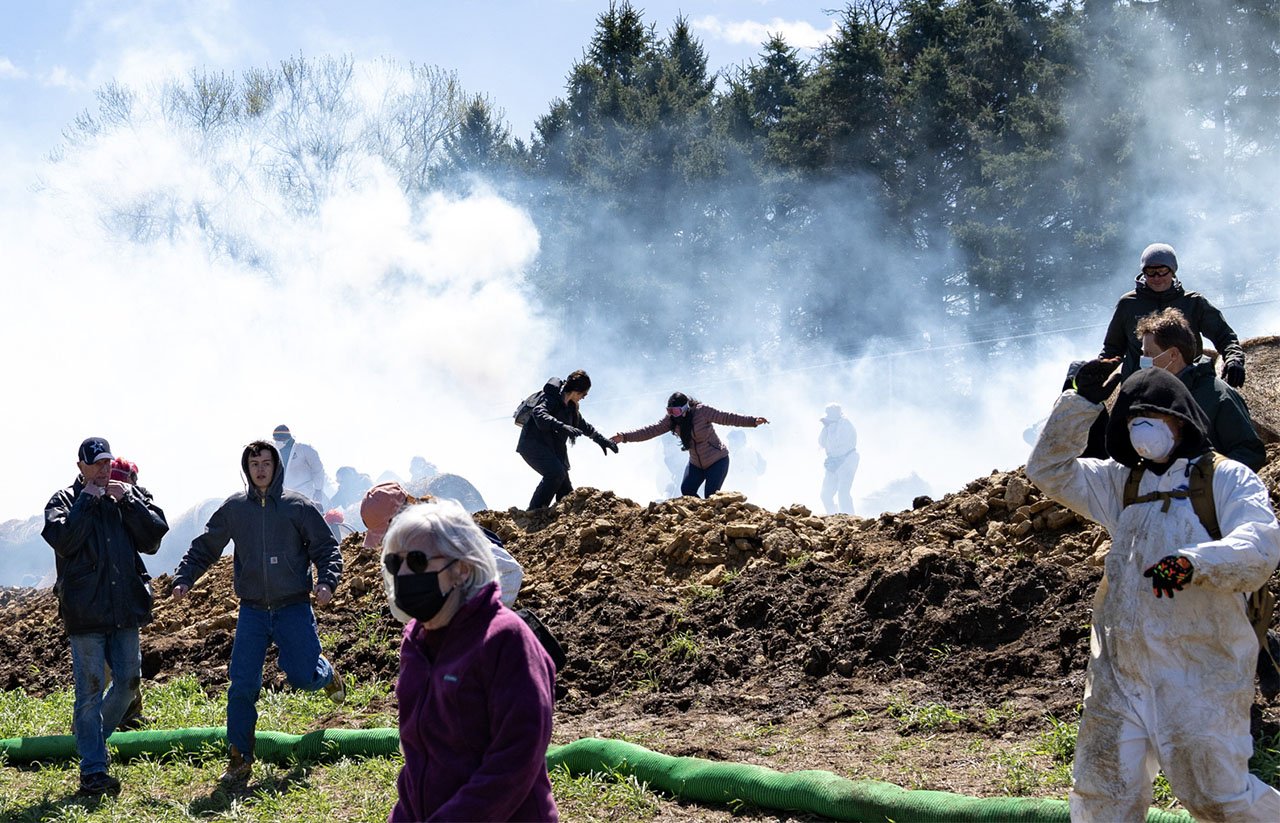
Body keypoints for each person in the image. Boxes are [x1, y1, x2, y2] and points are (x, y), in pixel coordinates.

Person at [1027, 363, 1280, 821]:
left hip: (1199, 671)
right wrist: (1079, 403)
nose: (1142, 428)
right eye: (1131, 418)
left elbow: (1260, 544)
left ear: (1181, 420)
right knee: (1103, 791)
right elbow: (1048, 470)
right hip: (1120, 671)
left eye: (1153, 416)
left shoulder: (1225, 479)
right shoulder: (1121, 482)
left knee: (1217, 796)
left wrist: (1194, 563)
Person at [171, 440, 345, 784]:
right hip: (252, 611)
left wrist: (326, 582)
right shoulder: (236, 509)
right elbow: (206, 546)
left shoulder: (298, 507)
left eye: (266, 462)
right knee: (242, 684)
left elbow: (326, 548)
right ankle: (239, 757)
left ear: (276, 466)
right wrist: (184, 578)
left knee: (302, 676)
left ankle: (324, 673)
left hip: (293, 606)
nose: (261, 469)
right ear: (247, 469)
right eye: (254, 464)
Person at [382, 500, 558, 822]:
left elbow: (516, 758)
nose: (404, 574)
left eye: (418, 562)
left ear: (461, 569)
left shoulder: (506, 639)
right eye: (396, 563)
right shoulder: (415, 642)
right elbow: (418, 757)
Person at [41, 437, 169, 796]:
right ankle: (93, 769)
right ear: (80, 467)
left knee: (128, 682)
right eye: (95, 463)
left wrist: (127, 501)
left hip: (124, 608)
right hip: (85, 615)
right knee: (90, 692)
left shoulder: (128, 494)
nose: (103, 469)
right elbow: (64, 541)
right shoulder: (64, 501)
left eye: (107, 462)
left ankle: (90, 738)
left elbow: (154, 537)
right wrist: (87, 501)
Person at [1135, 307, 1265, 471]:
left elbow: (1250, 452)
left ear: (1173, 355)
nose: (1143, 361)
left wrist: (1207, 476)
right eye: (1143, 354)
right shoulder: (1149, 397)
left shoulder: (1217, 395)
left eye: (1149, 354)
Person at [1099, 242, 1246, 385]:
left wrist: (1234, 359)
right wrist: (1096, 374)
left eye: (1162, 271)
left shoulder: (1193, 302)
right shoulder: (1128, 304)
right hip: (1140, 386)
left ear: (1173, 271)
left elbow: (1224, 336)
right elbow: (1112, 348)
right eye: (1150, 272)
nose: (1156, 277)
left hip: (1189, 384)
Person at [361, 481, 523, 605]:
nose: (385, 542)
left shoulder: (445, 532)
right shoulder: (406, 549)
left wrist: (470, 623)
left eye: (386, 534)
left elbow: (510, 572)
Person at [611, 392, 768, 498]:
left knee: (711, 496)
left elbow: (727, 418)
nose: (673, 416)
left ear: (686, 408)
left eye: (676, 412)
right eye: (669, 411)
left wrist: (752, 421)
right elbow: (650, 431)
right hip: (696, 464)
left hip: (717, 461)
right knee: (687, 491)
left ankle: (715, 525)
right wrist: (624, 437)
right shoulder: (671, 420)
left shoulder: (702, 411)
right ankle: (698, 523)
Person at [515, 370, 617, 510]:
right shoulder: (551, 398)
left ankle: (562, 520)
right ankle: (533, 513)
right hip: (532, 445)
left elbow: (583, 425)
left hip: (551, 448)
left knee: (565, 490)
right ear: (576, 391)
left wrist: (601, 440)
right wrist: (562, 426)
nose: (584, 398)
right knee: (555, 473)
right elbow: (539, 413)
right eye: (584, 394)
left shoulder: (570, 406)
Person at [271, 424, 327, 506]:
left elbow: (317, 469)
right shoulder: (275, 452)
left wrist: (318, 489)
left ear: (286, 438)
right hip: (284, 494)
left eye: (278, 439)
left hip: (304, 492)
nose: (276, 441)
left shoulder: (304, 449)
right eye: (275, 439)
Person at [818, 403, 859, 515]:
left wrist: (835, 460)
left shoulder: (845, 424)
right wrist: (826, 427)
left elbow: (840, 446)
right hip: (833, 462)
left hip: (847, 460)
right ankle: (833, 515)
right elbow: (821, 443)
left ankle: (850, 517)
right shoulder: (828, 426)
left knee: (843, 492)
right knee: (825, 494)